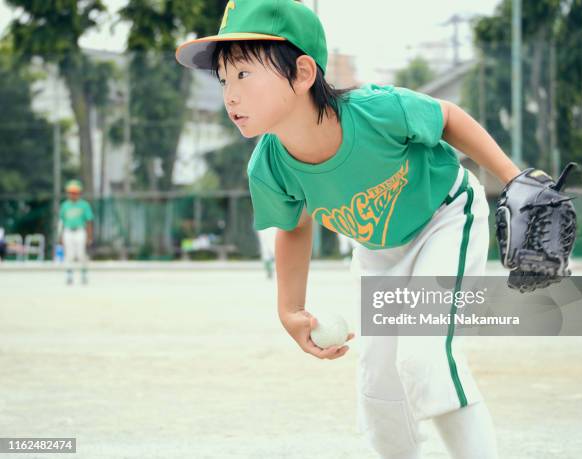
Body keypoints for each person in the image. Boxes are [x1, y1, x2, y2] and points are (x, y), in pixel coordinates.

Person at [177, 1, 521, 457]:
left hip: (445, 218)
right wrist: (290, 309)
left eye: (243, 73)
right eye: (224, 79)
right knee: (380, 389)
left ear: (302, 74)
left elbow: (449, 118)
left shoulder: (375, 110)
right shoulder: (270, 165)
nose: (230, 95)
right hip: (378, 253)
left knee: (424, 357)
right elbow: (295, 227)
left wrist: (515, 182)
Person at [58, 180, 94, 285]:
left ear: (79, 193)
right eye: (71, 192)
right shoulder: (65, 205)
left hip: (80, 231)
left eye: (75, 192)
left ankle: (84, 274)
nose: (72, 194)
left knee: (81, 253)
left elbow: (89, 221)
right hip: (68, 231)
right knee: (69, 254)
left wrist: (89, 236)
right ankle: (69, 275)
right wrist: (60, 235)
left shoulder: (84, 205)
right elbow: (61, 221)